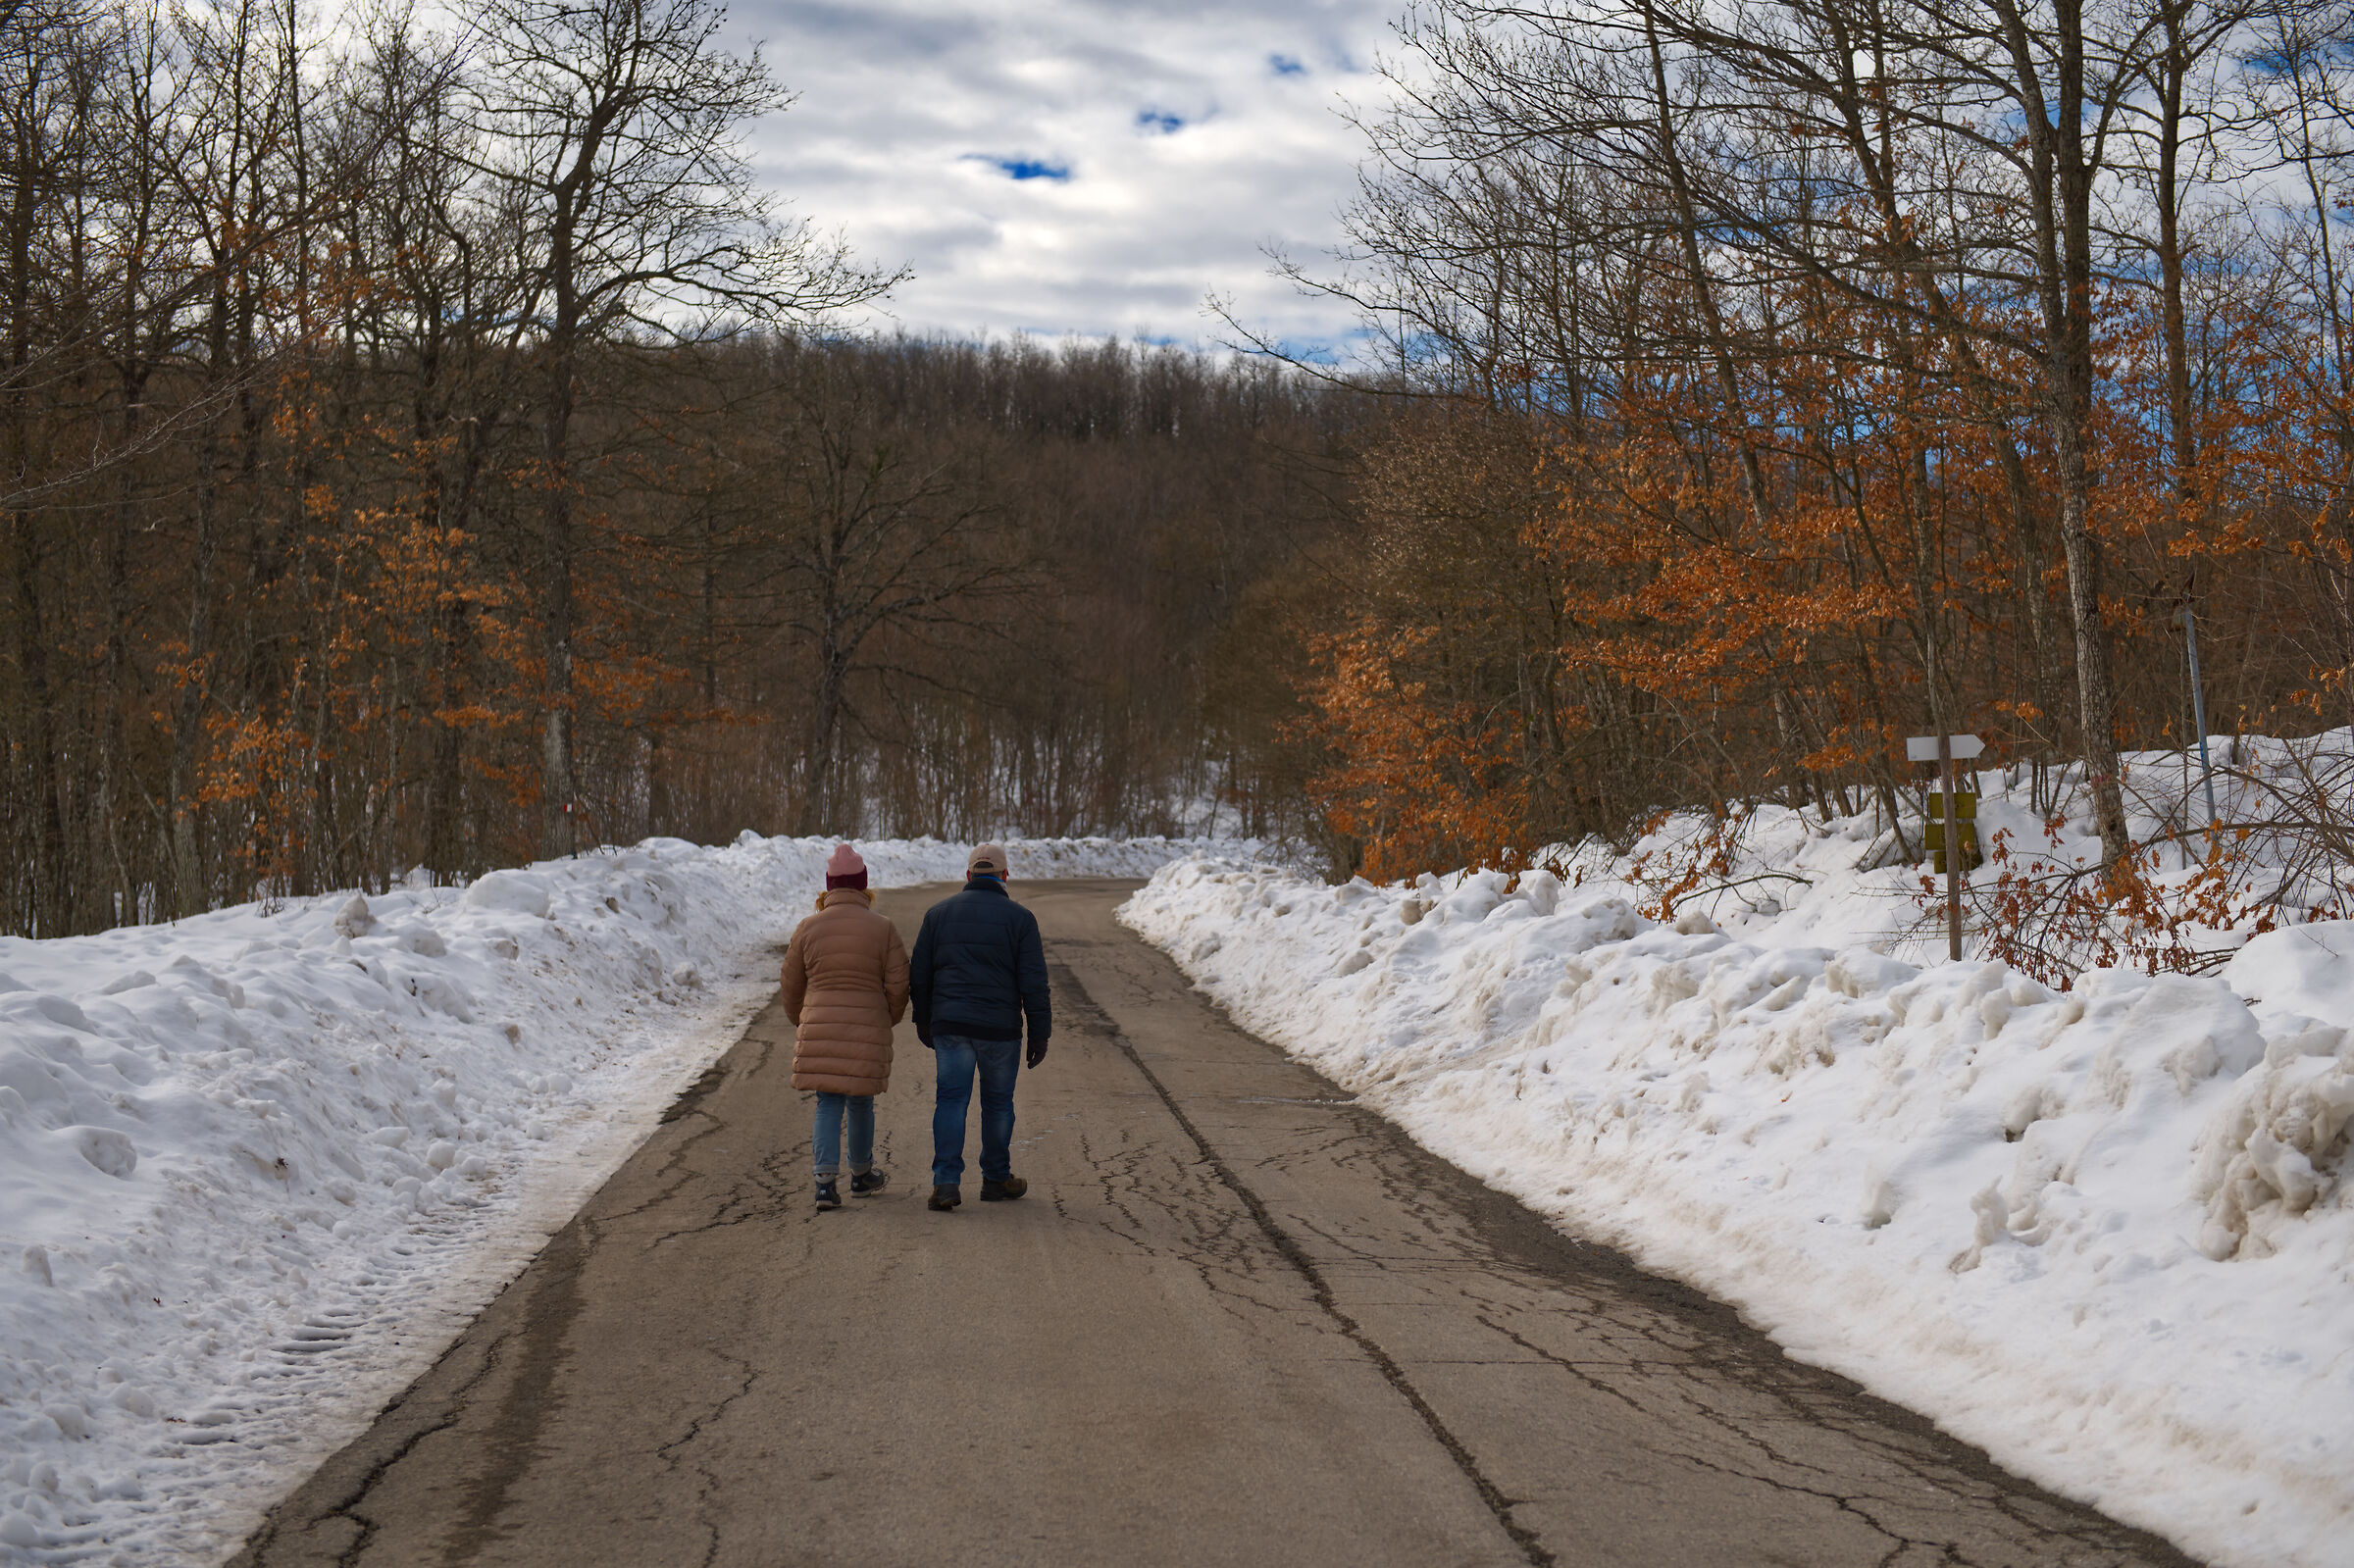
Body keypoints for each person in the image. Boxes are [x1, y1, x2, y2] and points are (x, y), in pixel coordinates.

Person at [909, 842, 1050, 1212]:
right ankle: (995, 1179)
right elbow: (1033, 982)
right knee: (998, 1104)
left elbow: (920, 976)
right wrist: (1039, 1032)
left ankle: (945, 1184)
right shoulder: (1021, 920)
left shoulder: (937, 915)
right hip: (1000, 1029)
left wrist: (923, 1019)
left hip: (951, 1025)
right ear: (1005, 877)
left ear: (968, 875)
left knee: (951, 1101)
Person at [781, 843, 910, 1212]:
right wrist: (887, 1017)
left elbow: (791, 984)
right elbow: (899, 984)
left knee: (827, 1102)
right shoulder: (883, 929)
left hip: (820, 1024)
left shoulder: (808, 928)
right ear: (862, 885)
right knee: (860, 1102)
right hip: (867, 1026)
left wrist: (802, 1019)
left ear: (830, 886)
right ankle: (861, 1174)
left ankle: (824, 1185)